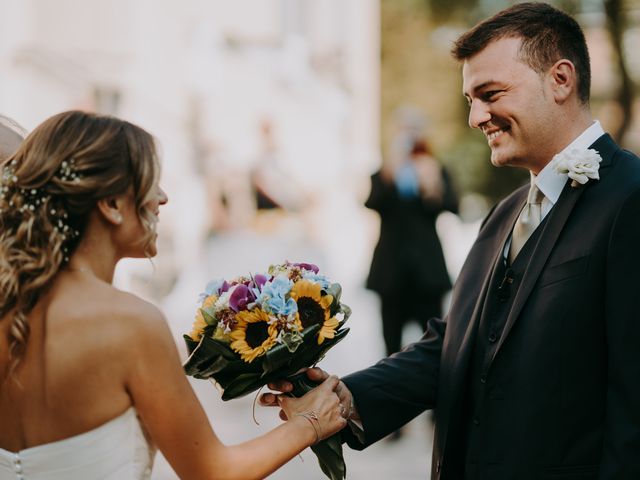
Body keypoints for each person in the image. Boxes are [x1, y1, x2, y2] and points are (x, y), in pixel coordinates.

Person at [262, 3, 640, 478]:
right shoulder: (504, 216)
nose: (475, 116)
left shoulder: (631, 199)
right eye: (469, 99)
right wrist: (342, 397)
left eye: (490, 94)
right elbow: (456, 344)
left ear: (560, 80)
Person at [0, 110, 347, 480]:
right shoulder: (130, 324)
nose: (162, 198)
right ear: (111, 205)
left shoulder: (10, 307)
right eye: (150, 181)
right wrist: (311, 421)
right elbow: (212, 472)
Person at [366, 137, 458, 358]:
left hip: (427, 274)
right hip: (391, 274)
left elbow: (453, 206)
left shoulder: (435, 170)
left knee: (435, 343)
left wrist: (432, 188)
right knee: (390, 345)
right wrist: (390, 177)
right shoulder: (385, 172)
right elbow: (373, 203)